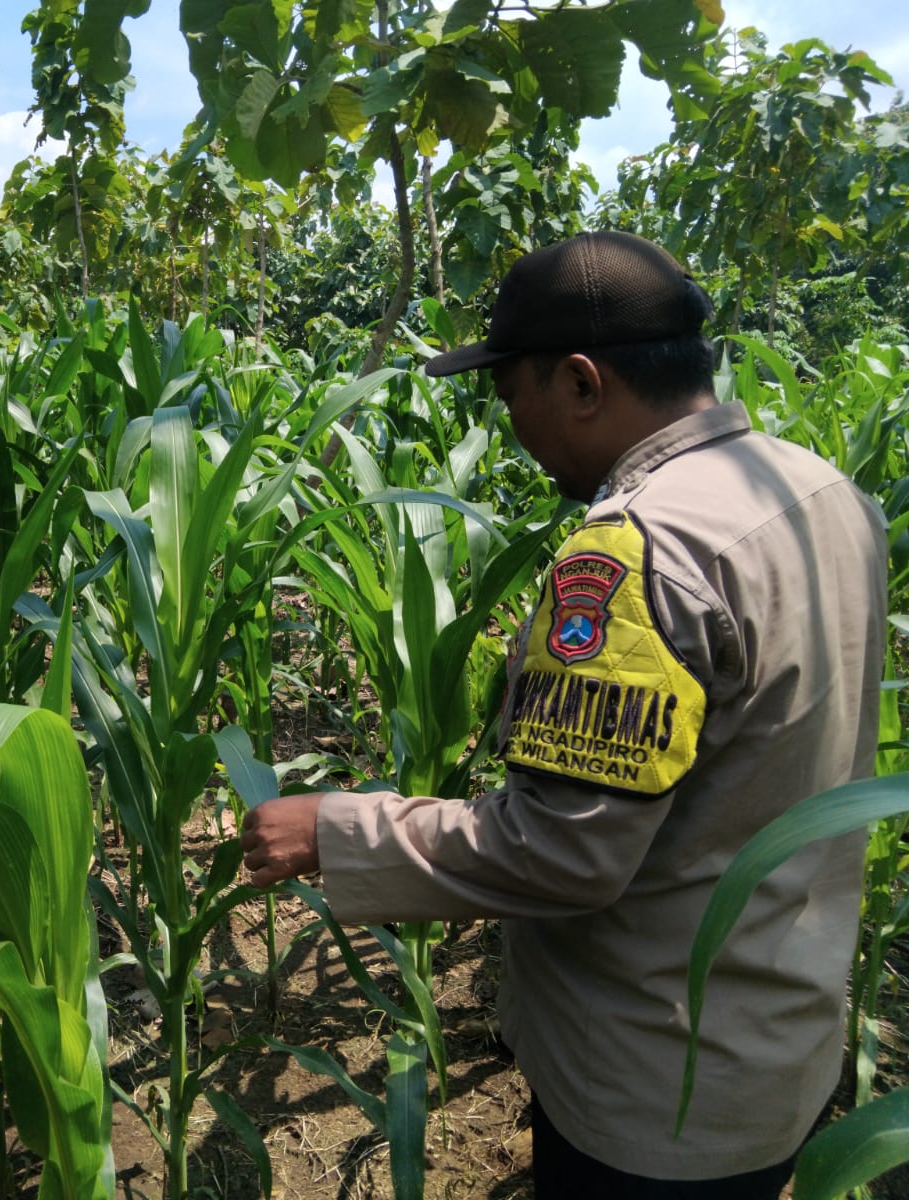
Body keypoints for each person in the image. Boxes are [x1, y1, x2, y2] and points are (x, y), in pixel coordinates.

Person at [240, 231, 888, 1198]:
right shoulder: (823, 488)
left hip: (649, 1083)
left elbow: (564, 851)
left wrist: (335, 829)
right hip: (776, 1041)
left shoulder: (644, 548)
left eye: (513, 397)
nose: (513, 428)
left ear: (582, 382)